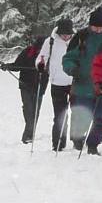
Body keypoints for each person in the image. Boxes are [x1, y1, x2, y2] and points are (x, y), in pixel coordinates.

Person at [62, 8, 102, 154]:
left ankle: (93, 145)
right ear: (90, 25)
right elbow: (68, 58)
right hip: (82, 85)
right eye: (95, 27)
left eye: (101, 27)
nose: (98, 30)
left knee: (101, 118)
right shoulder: (81, 37)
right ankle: (77, 139)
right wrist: (72, 69)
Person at [1, 32, 50, 144]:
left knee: (35, 112)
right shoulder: (28, 52)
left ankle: (29, 135)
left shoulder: (49, 55)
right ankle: (28, 136)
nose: (41, 50)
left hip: (40, 87)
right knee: (28, 110)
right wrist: (7, 66)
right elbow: (17, 65)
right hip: (25, 86)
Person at [37, 18, 74, 151]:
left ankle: (78, 141)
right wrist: (40, 64)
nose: (66, 37)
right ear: (59, 32)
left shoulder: (77, 41)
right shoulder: (50, 42)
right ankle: (58, 143)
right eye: (63, 34)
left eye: (68, 34)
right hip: (57, 83)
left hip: (75, 82)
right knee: (60, 114)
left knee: (78, 112)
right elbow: (41, 58)